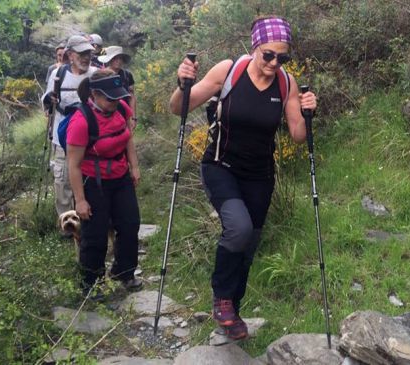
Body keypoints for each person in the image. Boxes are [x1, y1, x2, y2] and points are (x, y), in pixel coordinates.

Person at [169, 16, 317, 339]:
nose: (275, 63)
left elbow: (297, 135)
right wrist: (183, 85)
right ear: (255, 48)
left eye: (283, 58)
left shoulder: (286, 84)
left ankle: (231, 311)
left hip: (260, 176)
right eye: (269, 55)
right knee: (239, 228)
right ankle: (221, 296)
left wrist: (308, 112)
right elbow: (178, 108)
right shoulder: (229, 71)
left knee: (248, 246)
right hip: (220, 166)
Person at [67, 68, 142, 300]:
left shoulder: (121, 107)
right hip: (93, 181)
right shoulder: (81, 122)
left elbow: (126, 136)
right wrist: (80, 200)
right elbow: (74, 165)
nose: (115, 102)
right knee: (96, 233)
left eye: (117, 96)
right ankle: (90, 282)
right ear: (94, 94)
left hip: (120, 176)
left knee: (130, 224)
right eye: (110, 98)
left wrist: (134, 166)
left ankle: (123, 271)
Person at [42, 35, 98, 234]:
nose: (86, 58)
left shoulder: (96, 74)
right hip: (63, 139)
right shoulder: (58, 74)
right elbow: (46, 102)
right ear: (71, 55)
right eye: (82, 54)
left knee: (89, 180)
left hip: (91, 140)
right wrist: (50, 99)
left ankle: (89, 222)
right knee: (63, 182)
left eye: (89, 53)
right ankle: (68, 227)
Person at [98, 46, 138, 129]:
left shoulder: (127, 75)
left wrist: (133, 117)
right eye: (115, 58)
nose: (118, 61)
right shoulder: (101, 75)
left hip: (124, 114)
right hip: (106, 115)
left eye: (120, 58)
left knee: (125, 138)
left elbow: (131, 97)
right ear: (109, 59)